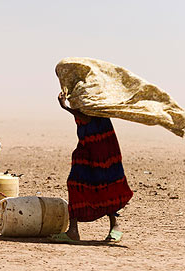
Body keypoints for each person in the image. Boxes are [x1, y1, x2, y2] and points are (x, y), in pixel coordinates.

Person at [51, 92, 133, 243]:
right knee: (76, 183)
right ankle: (73, 231)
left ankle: (115, 226)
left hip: (103, 145)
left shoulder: (90, 92)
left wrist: (65, 107)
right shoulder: (77, 92)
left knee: (107, 184)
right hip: (86, 144)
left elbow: (87, 116)